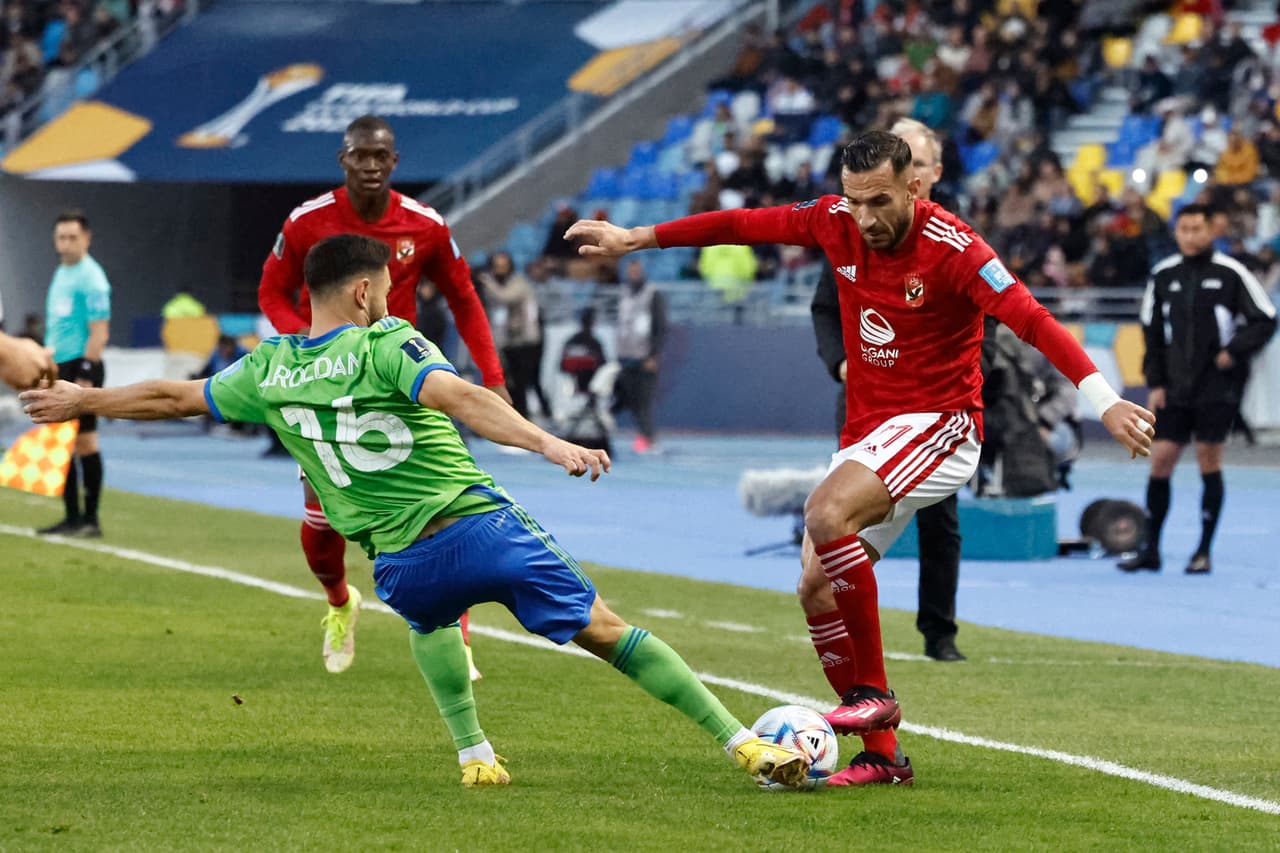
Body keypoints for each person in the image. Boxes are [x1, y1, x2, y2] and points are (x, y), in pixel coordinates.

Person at [20, 234, 810, 791]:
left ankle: (474, 752)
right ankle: (743, 744)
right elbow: (460, 396)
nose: (390, 300)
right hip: (476, 524)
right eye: (387, 290)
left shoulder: (268, 367)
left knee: (431, 622)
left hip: (399, 562)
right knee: (608, 631)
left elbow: (172, 395)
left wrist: (81, 398)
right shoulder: (386, 341)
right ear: (364, 291)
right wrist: (547, 444)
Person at [566, 131, 1155, 787]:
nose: (866, 218)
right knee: (814, 585)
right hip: (872, 435)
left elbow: (1034, 319)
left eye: (879, 201)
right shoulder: (835, 222)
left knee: (824, 511)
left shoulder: (955, 247)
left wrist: (1104, 401)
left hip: (943, 427)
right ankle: (883, 754)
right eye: (855, 201)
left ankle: (871, 692)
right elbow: (739, 224)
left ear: (913, 185)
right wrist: (635, 237)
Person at [258, 114, 507, 676]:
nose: (370, 166)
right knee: (323, 528)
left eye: (381, 157)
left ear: (395, 163)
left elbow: (464, 298)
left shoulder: (425, 225)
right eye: (359, 156)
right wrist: (303, 343)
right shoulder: (306, 223)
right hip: (327, 389)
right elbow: (272, 290)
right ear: (342, 160)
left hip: (403, 379)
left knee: (445, 509)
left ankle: (458, 636)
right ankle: (341, 602)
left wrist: (492, 377)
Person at [810, 118, 967, 665]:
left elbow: (997, 317)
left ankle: (938, 633)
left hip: (932, 413)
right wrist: (840, 366)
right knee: (834, 524)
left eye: (918, 162)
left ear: (923, 177)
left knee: (940, 521)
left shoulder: (956, 242)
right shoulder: (852, 228)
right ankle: (863, 668)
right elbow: (825, 307)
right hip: (864, 401)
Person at [1118, 204, 1277, 575]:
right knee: (1160, 462)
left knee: (1209, 460)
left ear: (1211, 231)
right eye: (1184, 229)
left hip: (1215, 388)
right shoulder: (1163, 276)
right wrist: (1155, 382)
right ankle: (1151, 549)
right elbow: (1152, 334)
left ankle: (1203, 551)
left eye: (1197, 229)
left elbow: (1265, 320)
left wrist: (1233, 352)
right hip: (1173, 388)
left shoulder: (1231, 274)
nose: (1190, 236)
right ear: (1177, 233)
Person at [36, 210, 111, 539]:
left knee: (85, 442)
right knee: (60, 444)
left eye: (72, 237)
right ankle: (71, 516)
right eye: (61, 238)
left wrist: (85, 373)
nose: (66, 244)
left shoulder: (91, 278)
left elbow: (99, 332)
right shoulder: (61, 272)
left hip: (81, 365)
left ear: (87, 238)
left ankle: (90, 519)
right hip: (58, 365)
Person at [477, 251, 553, 422]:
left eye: (503, 266)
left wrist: (487, 281)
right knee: (513, 381)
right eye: (496, 266)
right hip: (511, 341)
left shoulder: (519, 282)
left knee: (527, 380)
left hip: (529, 341)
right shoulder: (499, 284)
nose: (499, 270)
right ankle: (519, 416)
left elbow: (506, 297)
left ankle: (532, 416)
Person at [613, 259, 667, 454]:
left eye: (637, 270)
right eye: (630, 271)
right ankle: (642, 436)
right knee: (631, 400)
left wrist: (654, 355)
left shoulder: (653, 294)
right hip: (626, 356)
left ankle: (650, 438)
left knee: (644, 401)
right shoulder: (624, 293)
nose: (633, 274)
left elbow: (661, 327)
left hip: (645, 357)